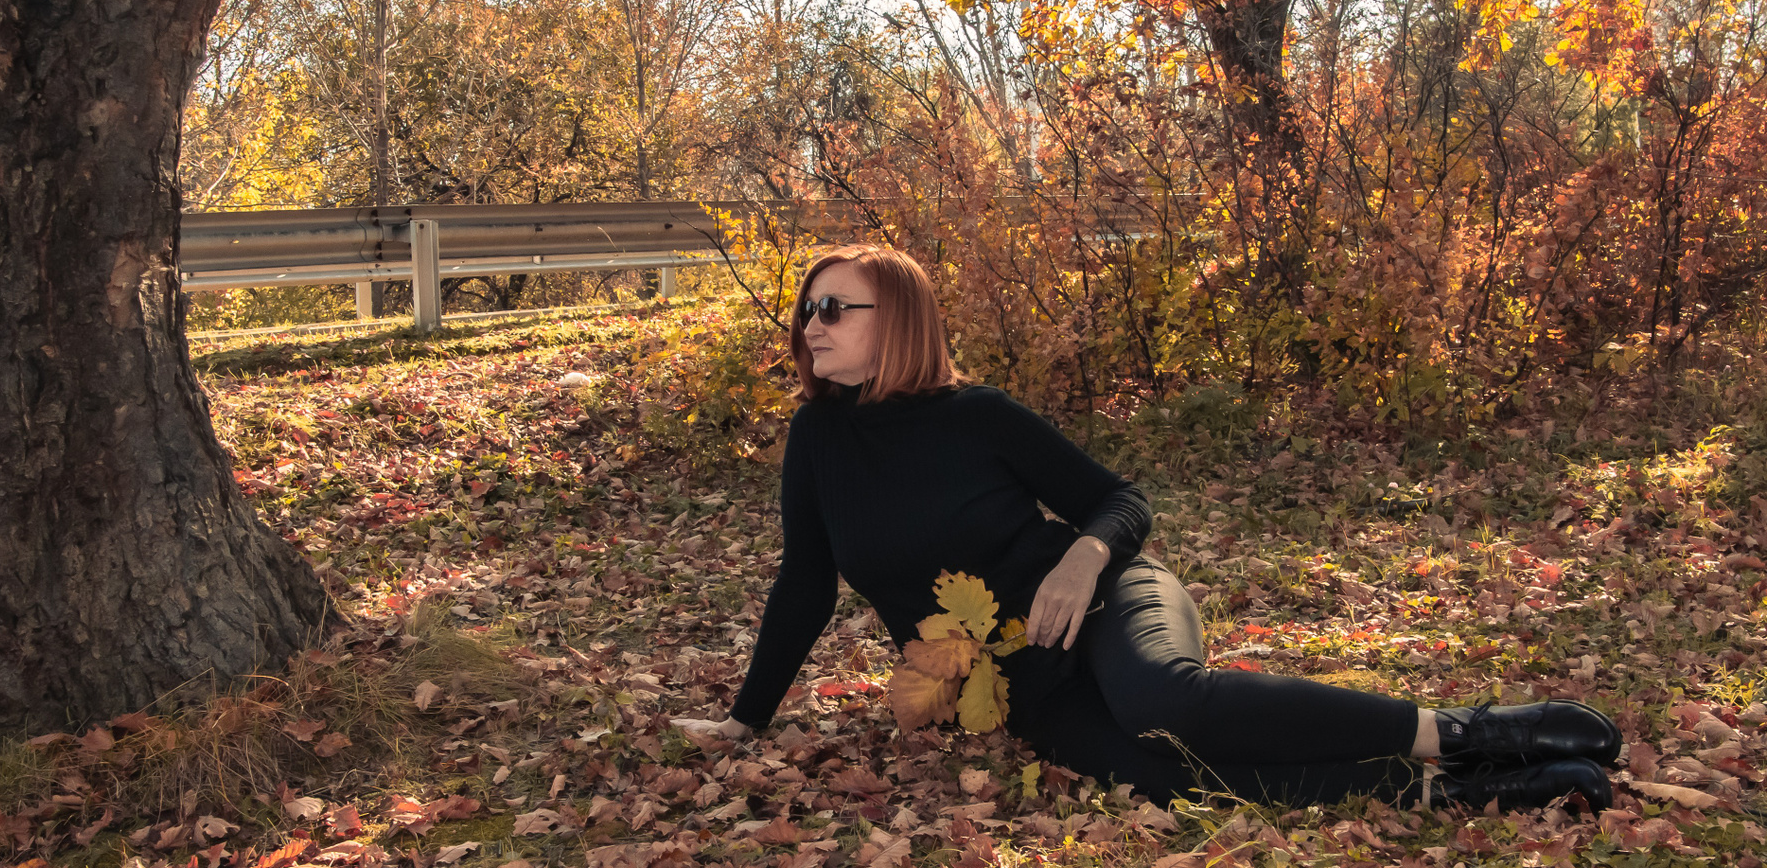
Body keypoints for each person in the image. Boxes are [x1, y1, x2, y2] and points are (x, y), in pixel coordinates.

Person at [674, 244, 1621, 813]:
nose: (811, 324)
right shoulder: (817, 439)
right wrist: (744, 720)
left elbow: (1120, 498)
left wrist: (1083, 560)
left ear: (901, 319)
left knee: (1167, 702)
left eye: (834, 307)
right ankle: (1454, 789)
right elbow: (805, 583)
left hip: (1105, 601)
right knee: (1151, 773)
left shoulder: (977, 416)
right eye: (806, 309)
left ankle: (1464, 732)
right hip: (1011, 673)